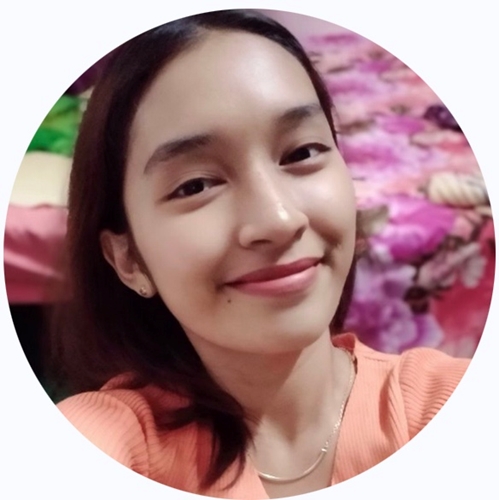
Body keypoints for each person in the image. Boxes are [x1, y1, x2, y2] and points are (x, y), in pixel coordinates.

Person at [52, 10, 470, 499]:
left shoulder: (442, 402)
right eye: (196, 185)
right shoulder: (105, 444)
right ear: (128, 260)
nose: (279, 219)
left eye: (301, 153)